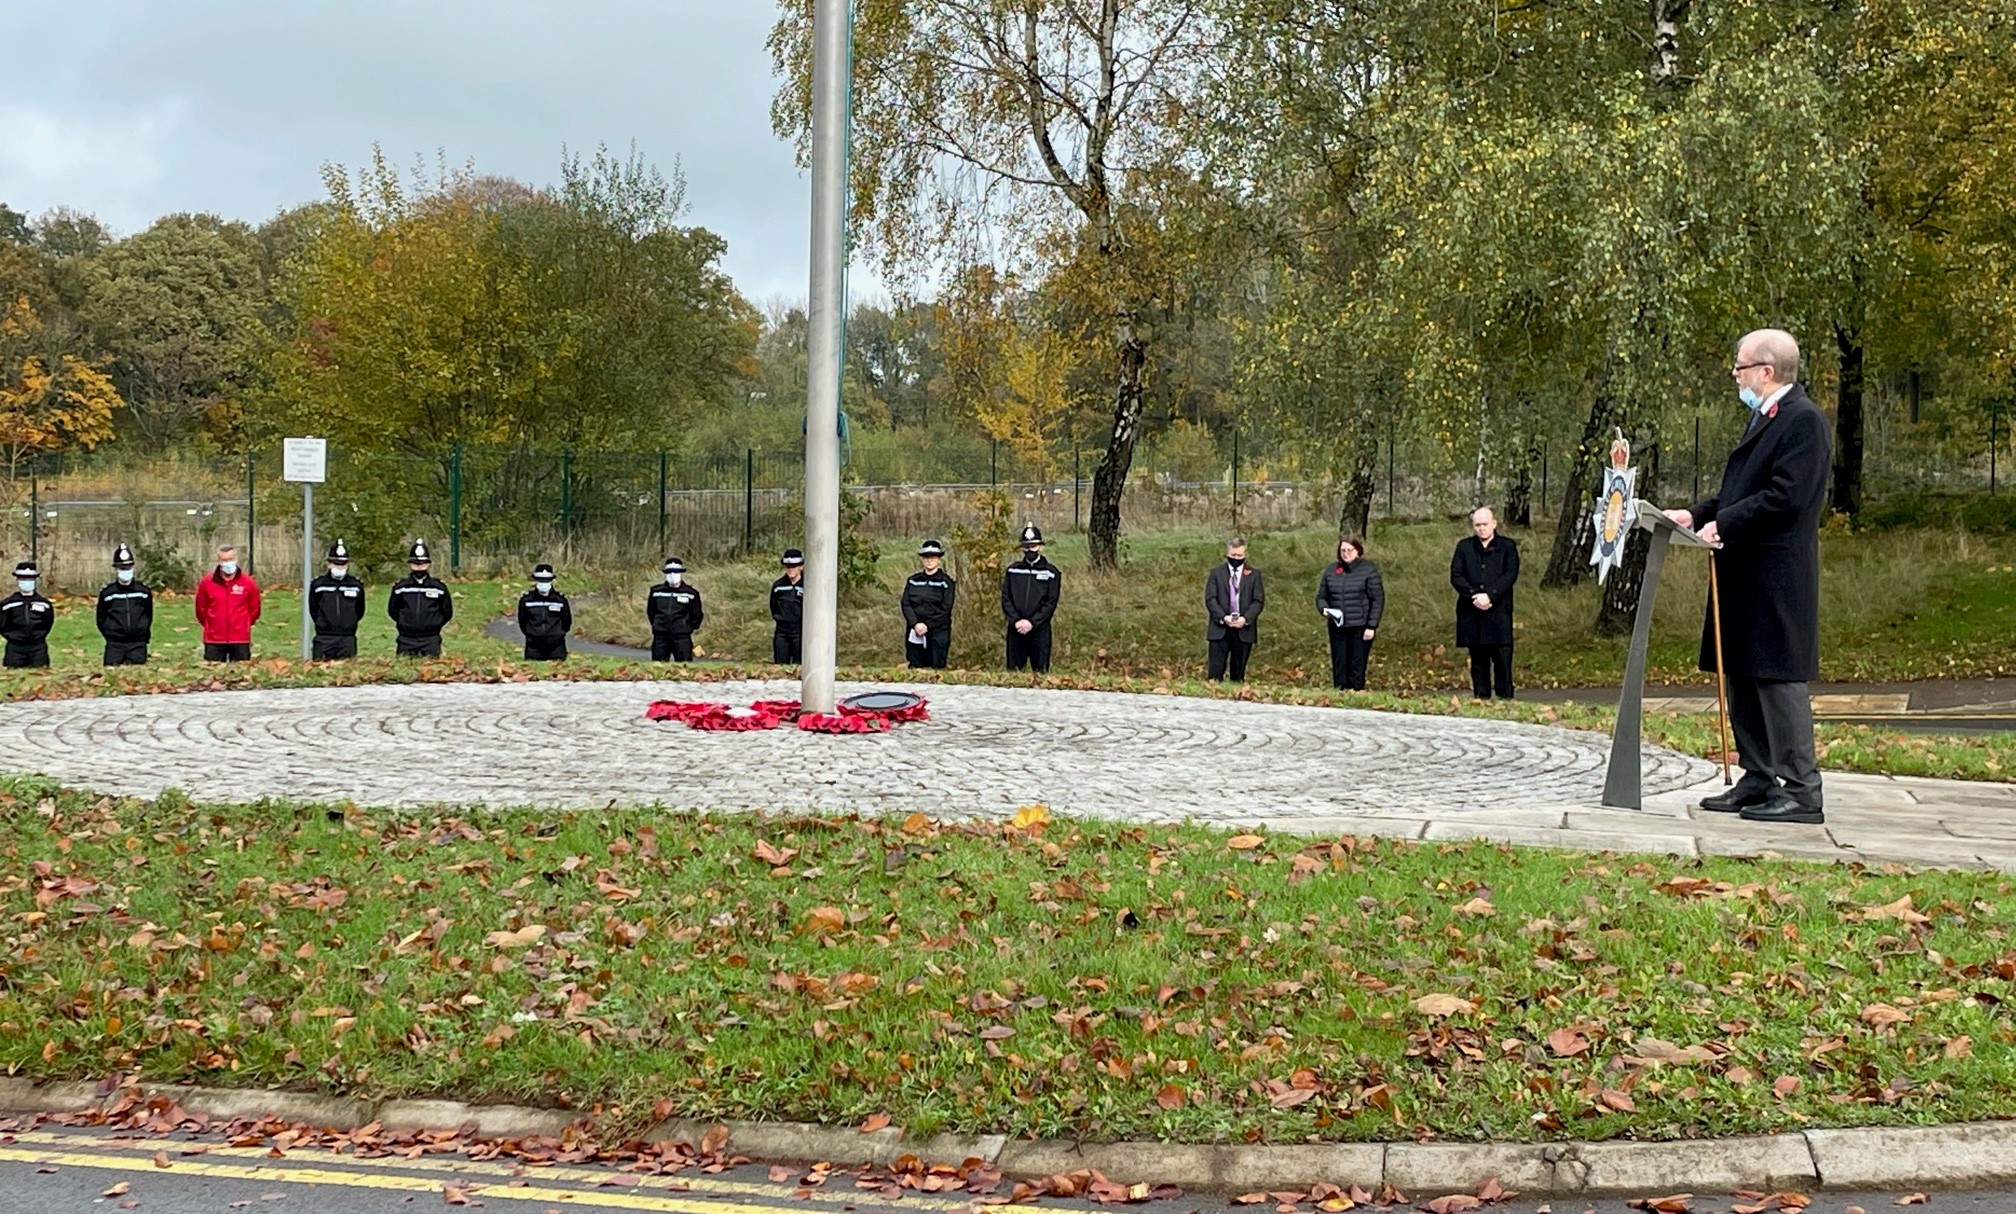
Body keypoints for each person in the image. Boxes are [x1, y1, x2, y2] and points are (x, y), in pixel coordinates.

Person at [1665, 328, 1831, 825]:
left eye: (1739, 368)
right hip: (1744, 571)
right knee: (1741, 673)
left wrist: (1726, 522)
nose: (1735, 377)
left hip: (1776, 573)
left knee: (1777, 678)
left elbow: (1787, 497)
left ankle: (1802, 789)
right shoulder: (1763, 419)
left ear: (1766, 370)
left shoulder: (1803, 421)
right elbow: (1739, 491)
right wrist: (1695, 515)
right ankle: (1757, 777)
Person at [1451, 507, 1519, 699]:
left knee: (1502, 660)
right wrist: (1474, 595)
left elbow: (1510, 574)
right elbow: (1456, 576)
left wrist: (1490, 595)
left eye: (1485, 524)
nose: (1481, 529)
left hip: (1498, 613)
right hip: (1472, 613)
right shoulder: (1464, 547)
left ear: (1494, 524)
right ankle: (1481, 699)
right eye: (1477, 525)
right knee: (1478, 661)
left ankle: (1505, 699)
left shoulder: (1507, 547)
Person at [1316, 535, 1384, 691]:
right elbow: (1321, 596)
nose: (1346, 553)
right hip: (1337, 625)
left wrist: (1371, 626)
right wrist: (1324, 609)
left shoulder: (1368, 570)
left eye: (1349, 550)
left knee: (1357, 664)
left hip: (1359, 626)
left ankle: (1356, 693)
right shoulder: (1331, 570)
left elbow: (1377, 599)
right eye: (1342, 550)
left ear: (1358, 551)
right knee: (1340, 663)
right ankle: (1339, 693)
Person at [1204, 537, 1266, 682]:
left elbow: (1258, 600)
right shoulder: (1216, 573)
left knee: (1238, 675)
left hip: (1243, 630)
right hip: (1220, 629)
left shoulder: (1254, 575)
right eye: (1233, 556)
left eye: (1239, 556)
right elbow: (1210, 599)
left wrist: (1245, 619)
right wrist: (1223, 617)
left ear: (1245, 555)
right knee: (1215, 674)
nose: (1236, 559)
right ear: (1227, 553)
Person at [1001, 524, 1061, 673]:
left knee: (1040, 673)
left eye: (1033, 546)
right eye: (1026, 547)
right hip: (1016, 629)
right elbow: (1006, 598)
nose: (1030, 551)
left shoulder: (1051, 573)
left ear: (1040, 547)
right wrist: (1016, 621)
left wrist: (1032, 622)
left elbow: (1050, 602)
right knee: (1014, 674)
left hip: (1039, 630)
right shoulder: (1013, 570)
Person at [386, 538, 452, 657]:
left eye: (422, 564)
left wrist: (434, 625)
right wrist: (405, 623)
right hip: (406, 639)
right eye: (416, 564)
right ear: (410, 564)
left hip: (431, 639)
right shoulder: (401, 588)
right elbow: (393, 610)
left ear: (428, 564)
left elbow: (447, 612)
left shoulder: (439, 588)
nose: (419, 567)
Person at [195, 544, 261, 662]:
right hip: (214, 639)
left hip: (240, 638)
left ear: (236, 559)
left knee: (241, 674)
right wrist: (211, 623)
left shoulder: (248, 582)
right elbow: (201, 608)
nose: (228, 563)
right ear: (218, 561)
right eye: (224, 560)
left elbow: (255, 608)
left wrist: (244, 623)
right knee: (212, 674)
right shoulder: (207, 582)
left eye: (230, 559)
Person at [901, 539, 956, 669]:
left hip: (938, 632)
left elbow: (946, 609)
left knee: (936, 668)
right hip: (915, 631)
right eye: (926, 557)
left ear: (938, 559)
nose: (929, 560)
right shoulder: (913, 581)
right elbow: (906, 603)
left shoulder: (946, 582)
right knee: (916, 667)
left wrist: (927, 625)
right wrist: (915, 624)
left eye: (933, 557)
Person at [96, 542, 154, 666]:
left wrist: (142, 631)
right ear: (116, 569)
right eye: (122, 568)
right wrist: (111, 633)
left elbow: (148, 615)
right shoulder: (107, 594)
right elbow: (101, 618)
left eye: (128, 568)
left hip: (137, 644)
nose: (125, 572)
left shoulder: (143, 592)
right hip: (115, 645)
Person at [307, 538, 365, 660]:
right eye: (336, 564)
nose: (339, 567)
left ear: (347, 564)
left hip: (347, 639)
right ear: (329, 564)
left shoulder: (356, 585)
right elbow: (313, 608)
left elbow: (359, 610)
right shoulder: (318, 585)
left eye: (342, 564)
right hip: (324, 638)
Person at [647, 557, 704, 662]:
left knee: (684, 664)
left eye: (676, 573)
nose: (672, 576)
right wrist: (658, 624)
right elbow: (651, 612)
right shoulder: (656, 592)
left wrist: (686, 626)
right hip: (661, 636)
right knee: (658, 665)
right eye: (669, 573)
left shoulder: (691, 593)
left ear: (681, 574)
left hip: (682, 636)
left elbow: (696, 614)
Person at [0, 560, 54, 669]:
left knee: (40, 674)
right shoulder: (7, 605)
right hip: (14, 648)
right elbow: (3, 624)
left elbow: (48, 622)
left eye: (30, 579)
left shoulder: (44, 604)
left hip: (38, 648)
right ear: (18, 580)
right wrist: (14, 636)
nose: (27, 582)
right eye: (23, 579)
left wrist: (38, 636)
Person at [516, 562, 572, 661]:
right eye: (541, 581)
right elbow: (522, 621)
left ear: (551, 581)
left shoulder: (560, 600)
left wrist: (557, 634)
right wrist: (532, 634)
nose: (543, 584)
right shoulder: (527, 600)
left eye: (546, 581)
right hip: (534, 646)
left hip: (556, 647)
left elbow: (566, 621)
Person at [770, 549, 805, 664]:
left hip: (800, 631)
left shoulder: (807, 586)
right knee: (780, 664)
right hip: (782, 631)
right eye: (788, 566)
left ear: (801, 566)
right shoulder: (778, 586)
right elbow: (773, 606)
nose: (790, 569)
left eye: (794, 566)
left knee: (800, 664)